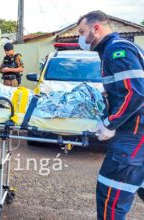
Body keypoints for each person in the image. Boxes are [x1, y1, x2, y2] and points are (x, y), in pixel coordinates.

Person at [77, 10, 144, 219]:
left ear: (96, 28)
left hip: (133, 134)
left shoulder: (117, 51)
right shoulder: (114, 50)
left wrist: (109, 123)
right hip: (136, 133)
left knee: (111, 194)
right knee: (136, 184)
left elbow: (136, 92)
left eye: (82, 31)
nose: (80, 37)